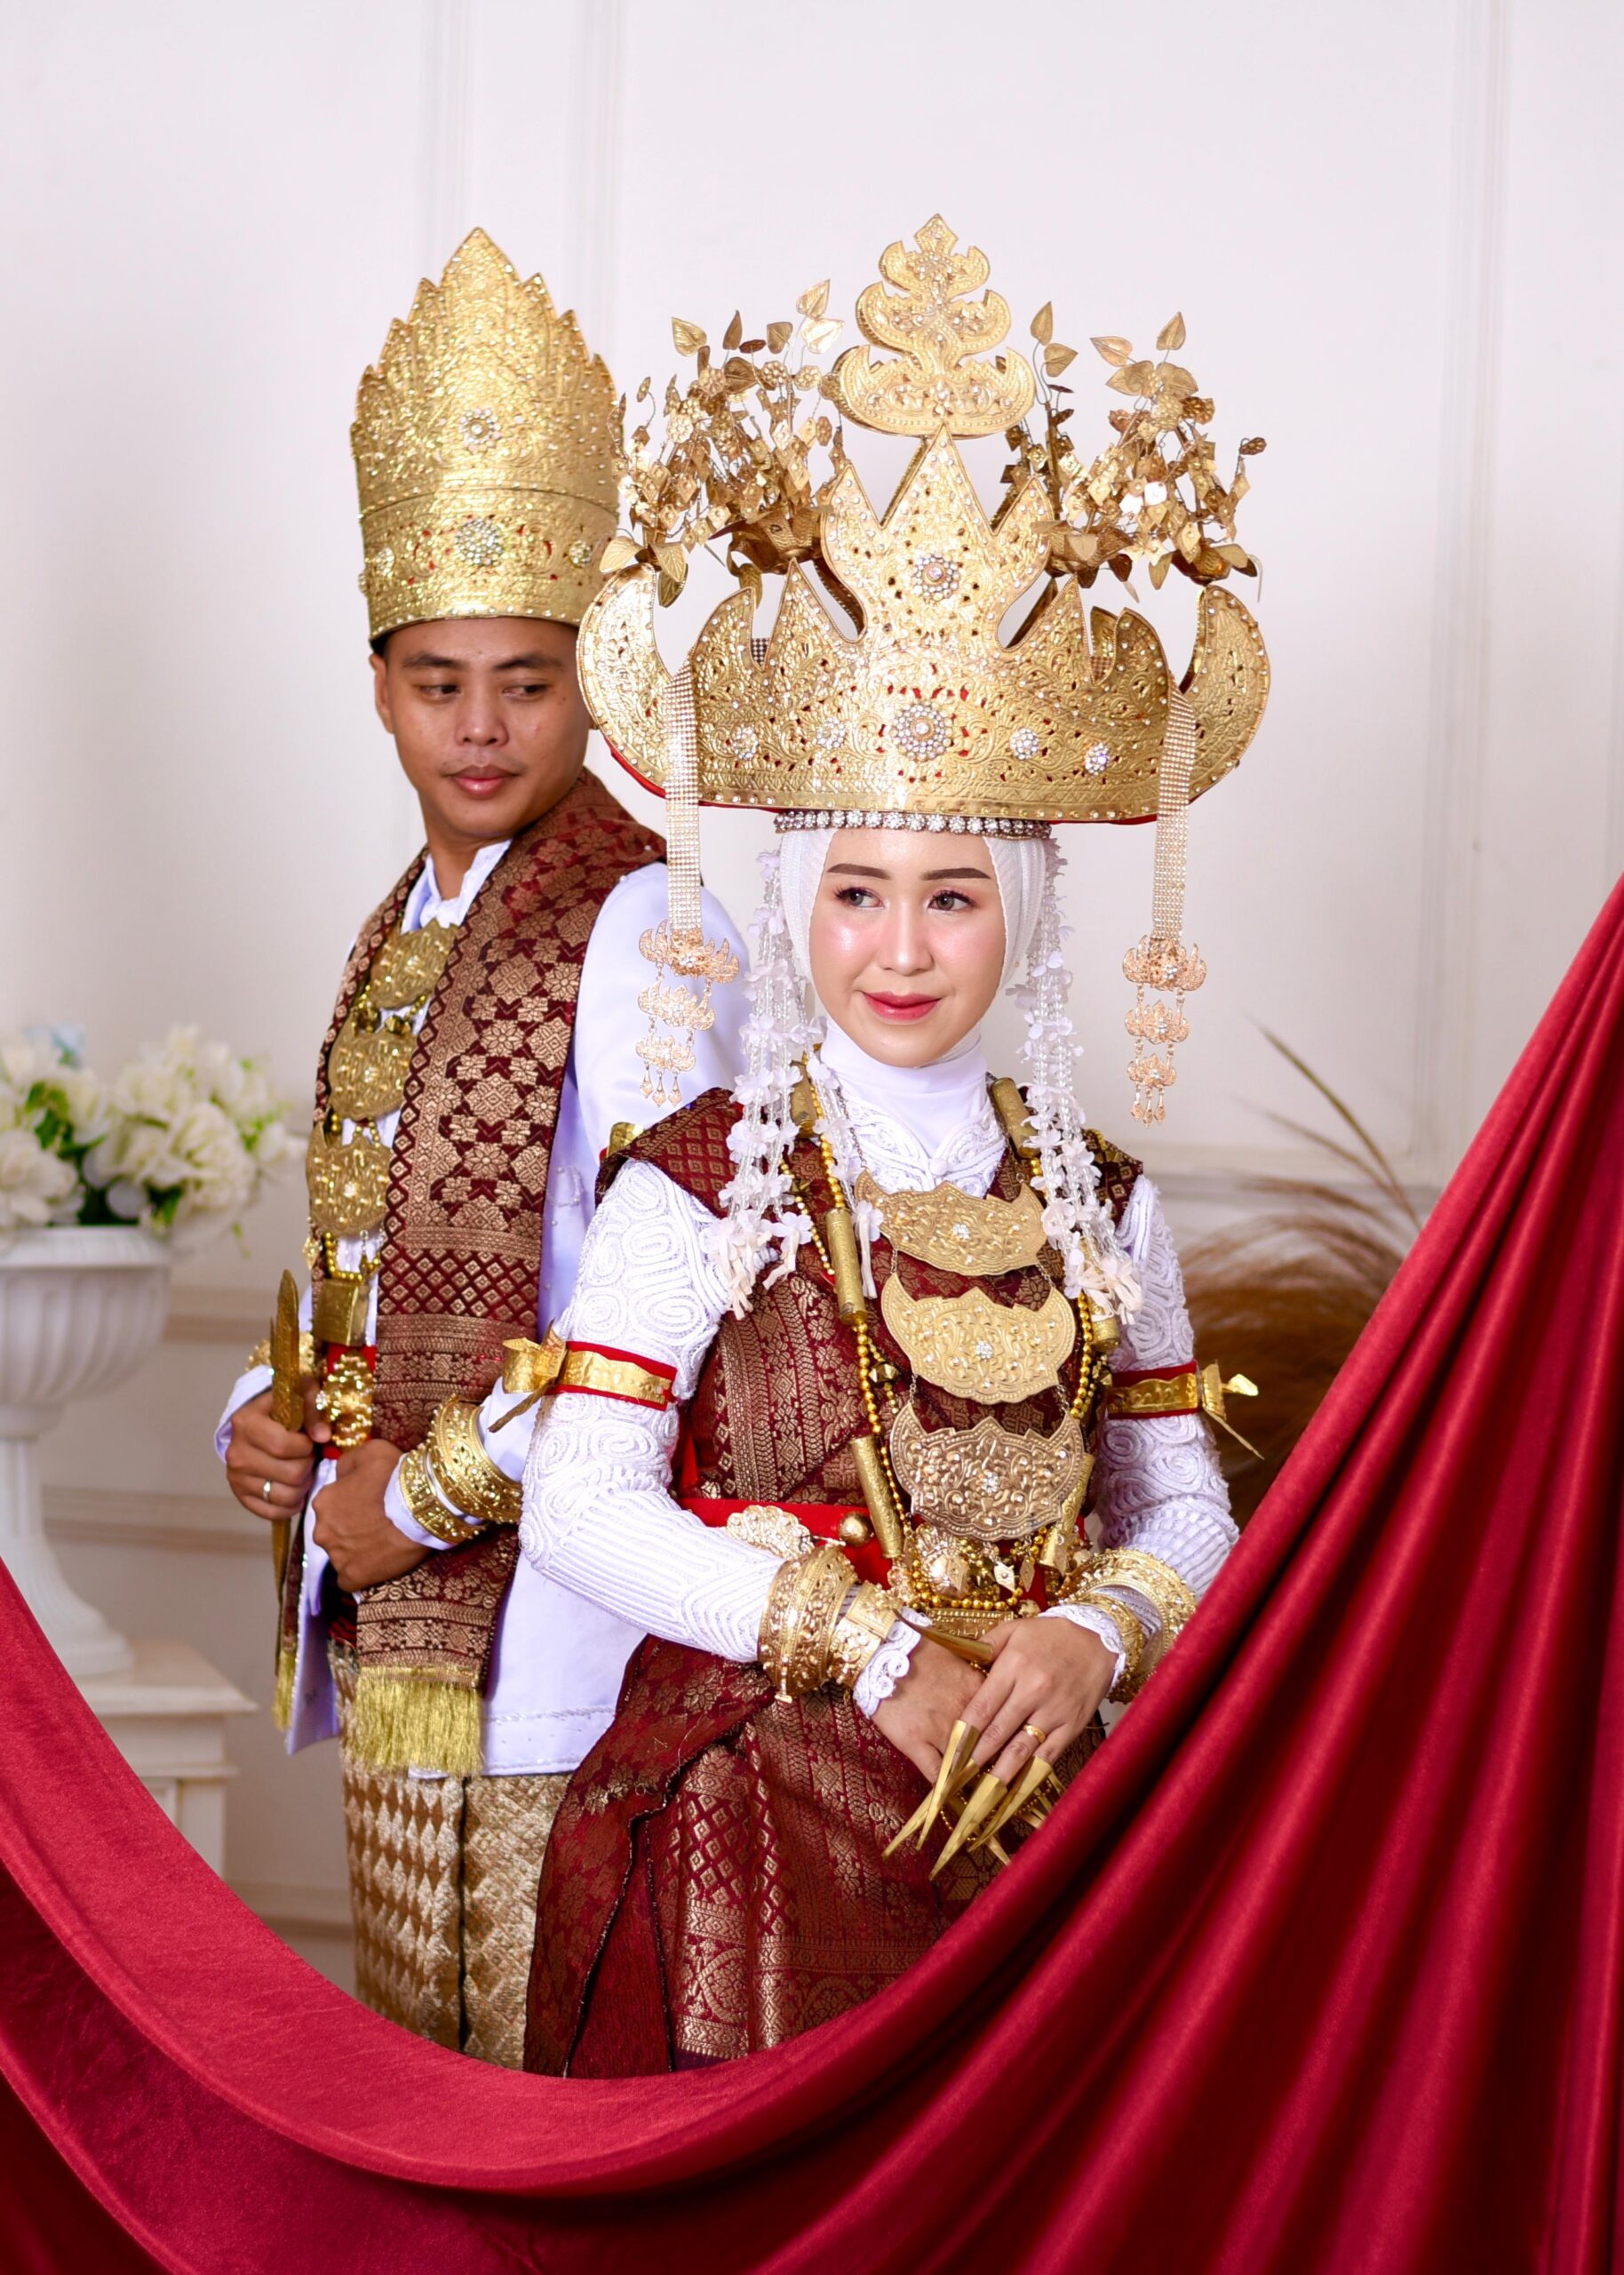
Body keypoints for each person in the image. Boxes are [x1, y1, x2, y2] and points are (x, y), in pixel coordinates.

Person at [519, 219, 1271, 2074]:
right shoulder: (699, 1177)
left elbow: (1183, 1502)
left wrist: (1098, 1636)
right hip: (762, 1820)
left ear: (1023, 911)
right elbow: (581, 1502)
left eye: (952, 894)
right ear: (800, 908)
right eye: (857, 892)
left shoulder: (1101, 1199)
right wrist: (865, 1646)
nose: (903, 948)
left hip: (1047, 1806)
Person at [213, 230, 745, 2067]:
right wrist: (267, 1415)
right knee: (420, 2085)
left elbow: (684, 1293)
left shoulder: (643, 917)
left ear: (593, 683)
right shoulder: (410, 918)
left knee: (532, 2087)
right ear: (378, 685)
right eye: (438, 681)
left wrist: (427, 1495)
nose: (481, 727)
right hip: (400, 1618)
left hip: (565, 1624)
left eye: (526, 680)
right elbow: (362, 1245)